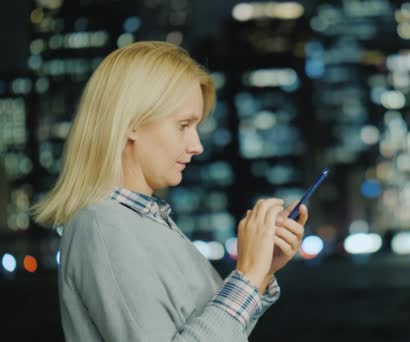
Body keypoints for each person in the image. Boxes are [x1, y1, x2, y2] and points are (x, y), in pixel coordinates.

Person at [31, 41, 308, 342]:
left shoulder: (144, 222)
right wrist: (249, 275)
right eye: (183, 125)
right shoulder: (102, 225)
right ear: (132, 122)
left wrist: (261, 272)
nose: (197, 145)